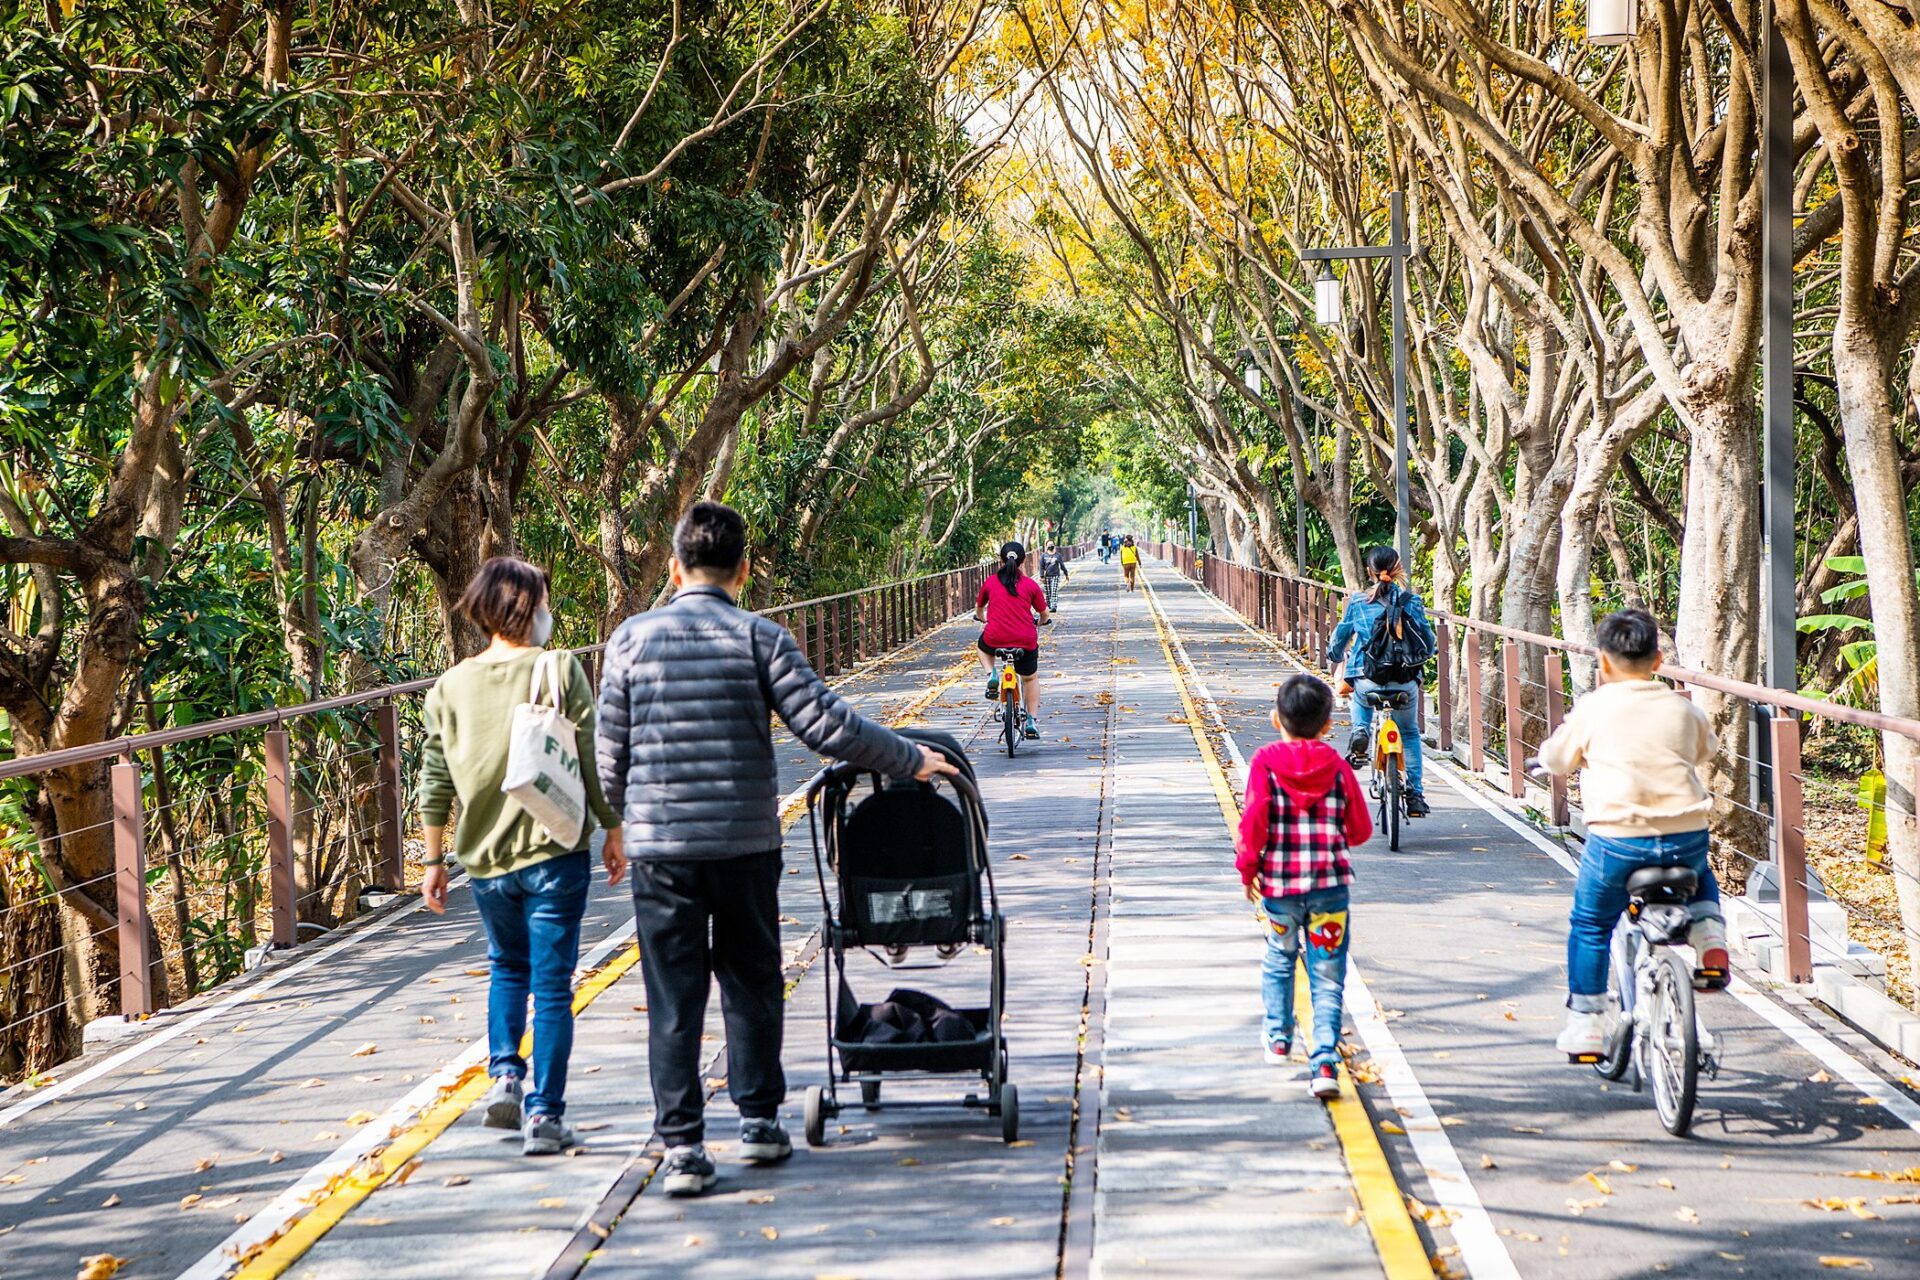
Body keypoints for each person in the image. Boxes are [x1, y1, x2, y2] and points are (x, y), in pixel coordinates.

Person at [595, 501, 956, 1196]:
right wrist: (910, 758)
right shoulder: (760, 637)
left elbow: (610, 751)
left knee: (674, 999)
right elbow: (826, 725)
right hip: (743, 845)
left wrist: (616, 824)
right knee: (752, 983)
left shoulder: (630, 640)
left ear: (673, 569)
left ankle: (683, 1149)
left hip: (661, 851)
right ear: (744, 571)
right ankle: (759, 1122)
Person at [418, 557, 627, 1157]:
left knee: (506, 967)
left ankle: (505, 1075)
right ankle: (544, 1116)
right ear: (528, 608)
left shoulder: (449, 686)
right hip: (555, 851)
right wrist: (612, 828)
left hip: (485, 862)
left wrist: (433, 861)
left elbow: (435, 778)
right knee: (553, 986)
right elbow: (588, 757)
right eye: (543, 603)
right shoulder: (558, 668)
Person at [1539, 608, 1731, 1058]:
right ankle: (1710, 939)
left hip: (1619, 840)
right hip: (1685, 833)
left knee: (1591, 924)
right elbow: (1705, 750)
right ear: (1658, 660)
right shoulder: (1682, 708)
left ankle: (1587, 1025)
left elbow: (1558, 759)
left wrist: (1554, 759)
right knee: (1701, 871)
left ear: (1603, 661)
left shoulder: (1594, 708)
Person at [1235, 674, 1372, 1100]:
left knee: (1280, 956)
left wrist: (1248, 870)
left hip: (1279, 888)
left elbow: (1253, 822)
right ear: (1328, 725)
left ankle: (1279, 1037)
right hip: (1330, 889)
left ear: (1276, 718)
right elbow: (1360, 830)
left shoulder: (1265, 762)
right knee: (1327, 975)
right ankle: (1325, 1061)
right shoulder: (1337, 766)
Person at [1327, 546, 1435, 818]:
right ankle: (1415, 795)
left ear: (1369, 571)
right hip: (1404, 681)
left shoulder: (1358, 602)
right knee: (1409, 733)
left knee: (1360, 696)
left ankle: (1360, 732)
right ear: (1398, 569)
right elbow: (1428, 641)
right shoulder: (1412, 601)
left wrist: (1335, 656)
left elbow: (1340, 638)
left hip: (1368, 679)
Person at [974, 540, 1053, 741]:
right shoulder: (1030, 584)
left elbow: (979, 610)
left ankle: (991, 674)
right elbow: (1044, 613)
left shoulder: (990, 582)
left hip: (995, 636)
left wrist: (984, 619)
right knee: (1030, 678)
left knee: (982, 647)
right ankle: (1032, 721)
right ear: (1023, 561)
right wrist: (1041, 622)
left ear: (1000, 560)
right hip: (1025, 639)